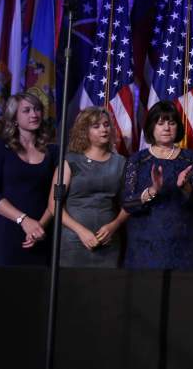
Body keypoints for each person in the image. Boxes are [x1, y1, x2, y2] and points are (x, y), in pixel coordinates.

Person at [122, 101, 193, 269]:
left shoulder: (190, 158)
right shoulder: (137, 160)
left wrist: (185, 187)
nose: (166, 128)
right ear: (151, 127)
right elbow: (127, 203)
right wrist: (152, 190)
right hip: (144, 243)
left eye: (171, 123)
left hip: (183, 242)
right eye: (160, 123)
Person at [0, 91, 57, 266]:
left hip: (40, 233)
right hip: (5, 234)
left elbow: (55, 195)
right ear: (14, 117)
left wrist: (39, 226)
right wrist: (23, 220)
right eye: (27, 110)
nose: (34, 114)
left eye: (37, 109)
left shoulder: (53, 151)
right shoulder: (0, 147)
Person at [49, 107, 128, 268]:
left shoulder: (120, 162)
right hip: (74, 242)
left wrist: (114, 225)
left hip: (108, 242)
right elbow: (53, 205)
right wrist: (81, 231)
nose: (103, 129)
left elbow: (129, 203)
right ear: (84, 131)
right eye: (96, 126)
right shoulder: (70, 161)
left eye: (106, 125)